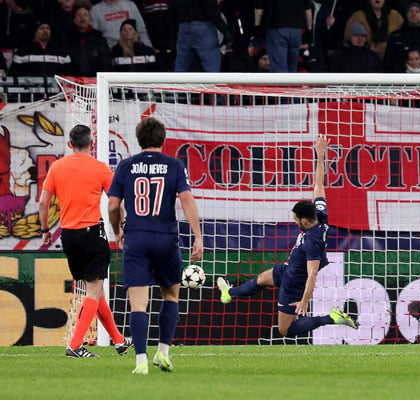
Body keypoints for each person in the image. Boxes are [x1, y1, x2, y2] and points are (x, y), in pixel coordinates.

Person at [216, 135, 359, 338]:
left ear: (305, 221)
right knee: (261, 280)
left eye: (296, 219)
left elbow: (312, 274)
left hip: (294, 281)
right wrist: (320, 156)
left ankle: (332, 317)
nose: (294, 221)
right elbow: (319, 186)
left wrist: (305, 300)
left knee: (286, 329)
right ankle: (228, 294)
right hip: (288, 268)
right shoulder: (320, 215)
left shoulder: (312, 241)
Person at [107, 117, 203, 375]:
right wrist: (198, 235)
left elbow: (113, 206)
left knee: (138, 304)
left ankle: (140, 362)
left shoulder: (126, 166)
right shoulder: (174, 165)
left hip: (136, 238)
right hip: (165, 239)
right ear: (163, 138)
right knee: (171, 295)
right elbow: (186, 199)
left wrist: (118, 231)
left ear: (139, 140)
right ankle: (163, 352)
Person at [38, 124, 132, 358]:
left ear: (70, 144)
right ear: (91, 144)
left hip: (68, 235)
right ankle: (75, 344)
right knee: (94, 289)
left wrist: (45, 230)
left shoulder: (57, 167)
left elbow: (43, 202)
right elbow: (116, 202)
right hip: (92, 233)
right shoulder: (99, 168)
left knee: (95, 289)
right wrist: (121, 227)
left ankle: (119, 340)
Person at [171, 0, 228, 72]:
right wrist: (225, 30)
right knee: (212, 68)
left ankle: (177, 82)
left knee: (181, 66)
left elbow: (172, 10)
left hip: (183, 26)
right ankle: (213, 82)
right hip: (203, 27)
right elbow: (211, 8)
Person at [67, 6, 111, 77]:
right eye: (79, 15)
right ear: (74, 20)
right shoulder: (67, 38)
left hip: (94, 82)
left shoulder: (99, 39)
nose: (82, 17)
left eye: (85, 15)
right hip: (74, 82)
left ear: (90, 19)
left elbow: (105, 64)